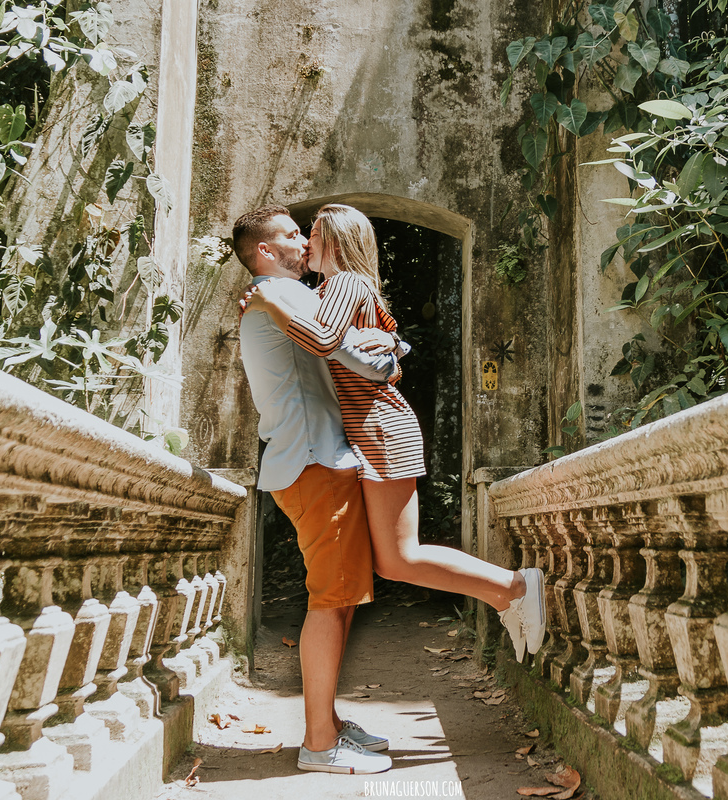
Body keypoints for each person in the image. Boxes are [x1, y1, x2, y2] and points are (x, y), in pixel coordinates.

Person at [241, 203, 547, 664]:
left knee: (401, 555)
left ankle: (516, 588)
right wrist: (394, 345)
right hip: (369, 430)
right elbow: (362, 341)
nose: (306, 242)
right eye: (298, 235)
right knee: (394, 559)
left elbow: (325, 341)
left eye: (313, 234)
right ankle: (509, 592)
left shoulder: (341, 283)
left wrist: (269, 300)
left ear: (336, 242)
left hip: (381, 428)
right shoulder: (332, 288)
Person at [234, 204, 394, 775]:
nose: (304, 242)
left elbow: (365, 348)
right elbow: (365, 361)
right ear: (266, 252)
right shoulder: (283, 295)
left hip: (311, 461)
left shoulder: (280, 297)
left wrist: (389, 349)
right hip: (315, 463)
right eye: (292, 235)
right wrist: (391, 354)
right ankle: (319, 745)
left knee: (342, 597)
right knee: (330, 601)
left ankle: (327, 722)